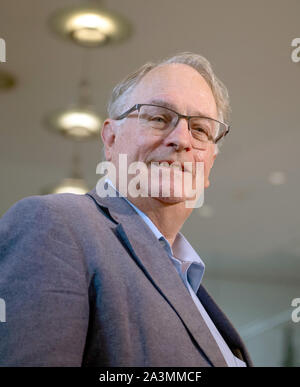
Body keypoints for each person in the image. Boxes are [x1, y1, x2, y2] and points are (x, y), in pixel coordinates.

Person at [0, 52, 253, 367]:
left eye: (200, 129)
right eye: (159, 117)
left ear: (210, 164)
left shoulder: (193, 284)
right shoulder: (52, 226)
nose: (182, 140)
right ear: (110, 138)